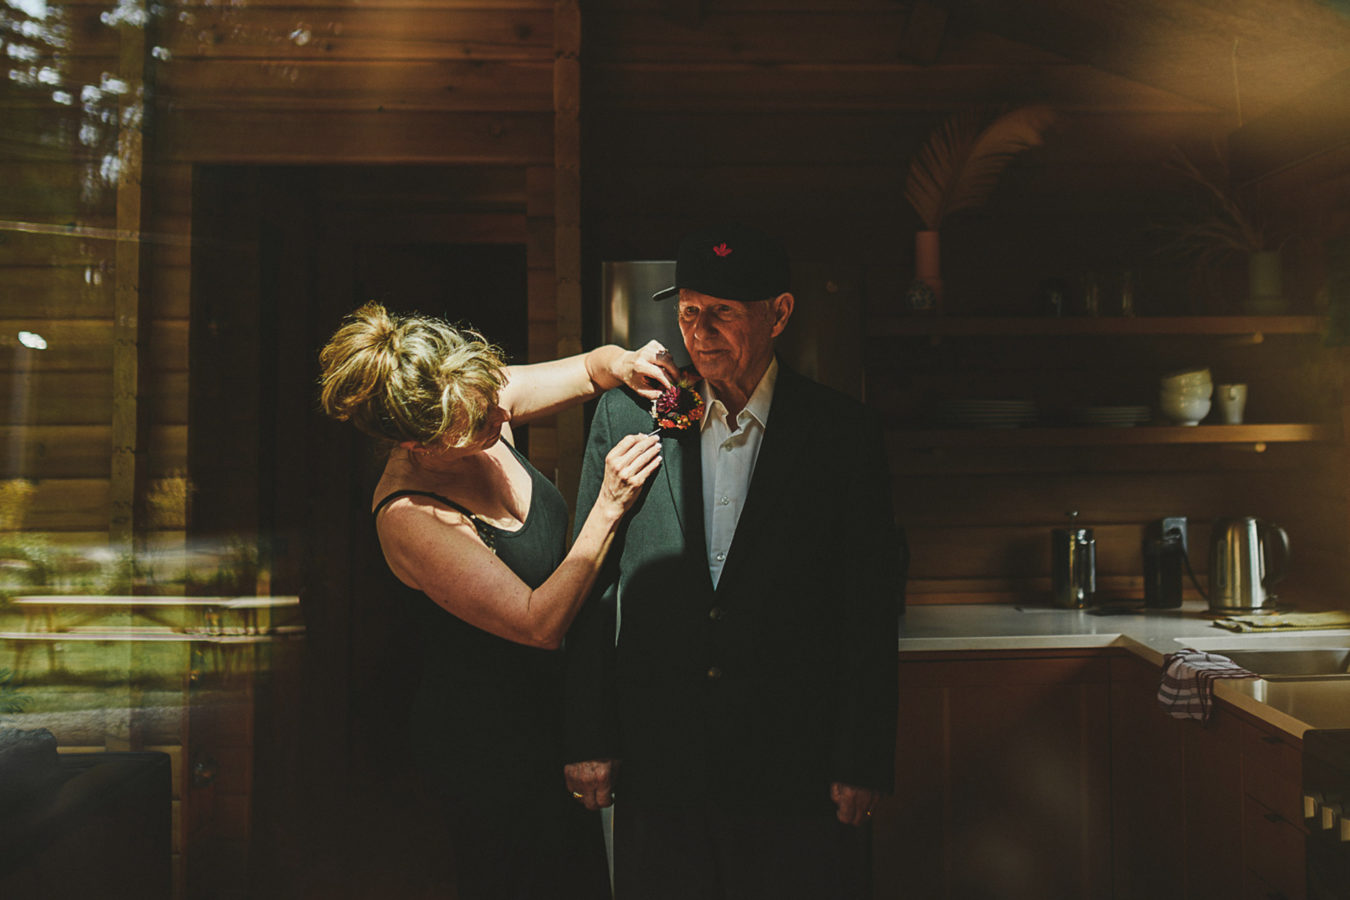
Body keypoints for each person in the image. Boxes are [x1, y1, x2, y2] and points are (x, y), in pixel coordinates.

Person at [564, 224, 904, 898]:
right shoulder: (629, 417)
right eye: (689, 311)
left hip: (794, 763)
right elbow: (593, 583)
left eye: (722, 312)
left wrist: (862, 755)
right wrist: (587, 734)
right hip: (659, 761)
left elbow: (869, 603)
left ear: (779, 313)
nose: (700, 331)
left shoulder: (844, 434)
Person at [317, 301, 678, 899]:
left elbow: (590, 370)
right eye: (476, 423)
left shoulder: (471, 394)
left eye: (492, 397)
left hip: (550, 708)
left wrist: (624, 361)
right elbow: (539, 624)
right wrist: (609, 505)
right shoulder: (409, 516)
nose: (499, 416)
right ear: (417, 444)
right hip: (486, 741)